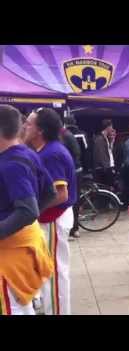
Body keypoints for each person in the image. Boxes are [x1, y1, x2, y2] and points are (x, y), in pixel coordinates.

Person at [0, 105, 55, 315]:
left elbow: (28, 210)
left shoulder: (11, 164)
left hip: (11, 253)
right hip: (25, 243)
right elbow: (49, 192)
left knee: (12, 307)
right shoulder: (27, 153)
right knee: (21, 306)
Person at [24, 107, 77, 315]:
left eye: (29, 124)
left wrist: (33, 210)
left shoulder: (51, 154)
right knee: (49, 270)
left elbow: (60, 194)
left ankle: (58, 310)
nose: (24, 127)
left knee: (55, 272)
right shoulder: (46, 150)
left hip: (54, 219)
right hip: (52, 218)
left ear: (40, 130)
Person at [60, 118, 82, 239]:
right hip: (72, 171)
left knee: (72, 200)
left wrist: (69, 166)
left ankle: (74, 228)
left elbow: (76, 152)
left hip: (73, 172)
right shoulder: (64, 135)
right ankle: (72, 228)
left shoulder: (66, 136)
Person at [93, 119, 116, 189]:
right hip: (104, 170)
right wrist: (107, 169)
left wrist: (112, 142)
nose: (112, 129)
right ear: (108, 127)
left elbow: (109, 152)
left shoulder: (106, 138)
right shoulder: (100, 139)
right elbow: (101, 155)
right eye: (111, 127)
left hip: (108, 167)